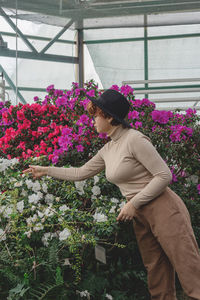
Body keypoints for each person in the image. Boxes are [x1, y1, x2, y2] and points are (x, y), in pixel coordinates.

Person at [23, 89, 200, 300]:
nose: (93, 120)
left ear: (109, 116)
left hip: (164, 208)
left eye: (95, 115)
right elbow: (81, 172)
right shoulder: (109, 148)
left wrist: (134, 203)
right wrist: (45, 170)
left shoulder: (134, 139)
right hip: (141, 213)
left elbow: (164, 175)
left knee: (189, 271)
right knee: (157, 273)